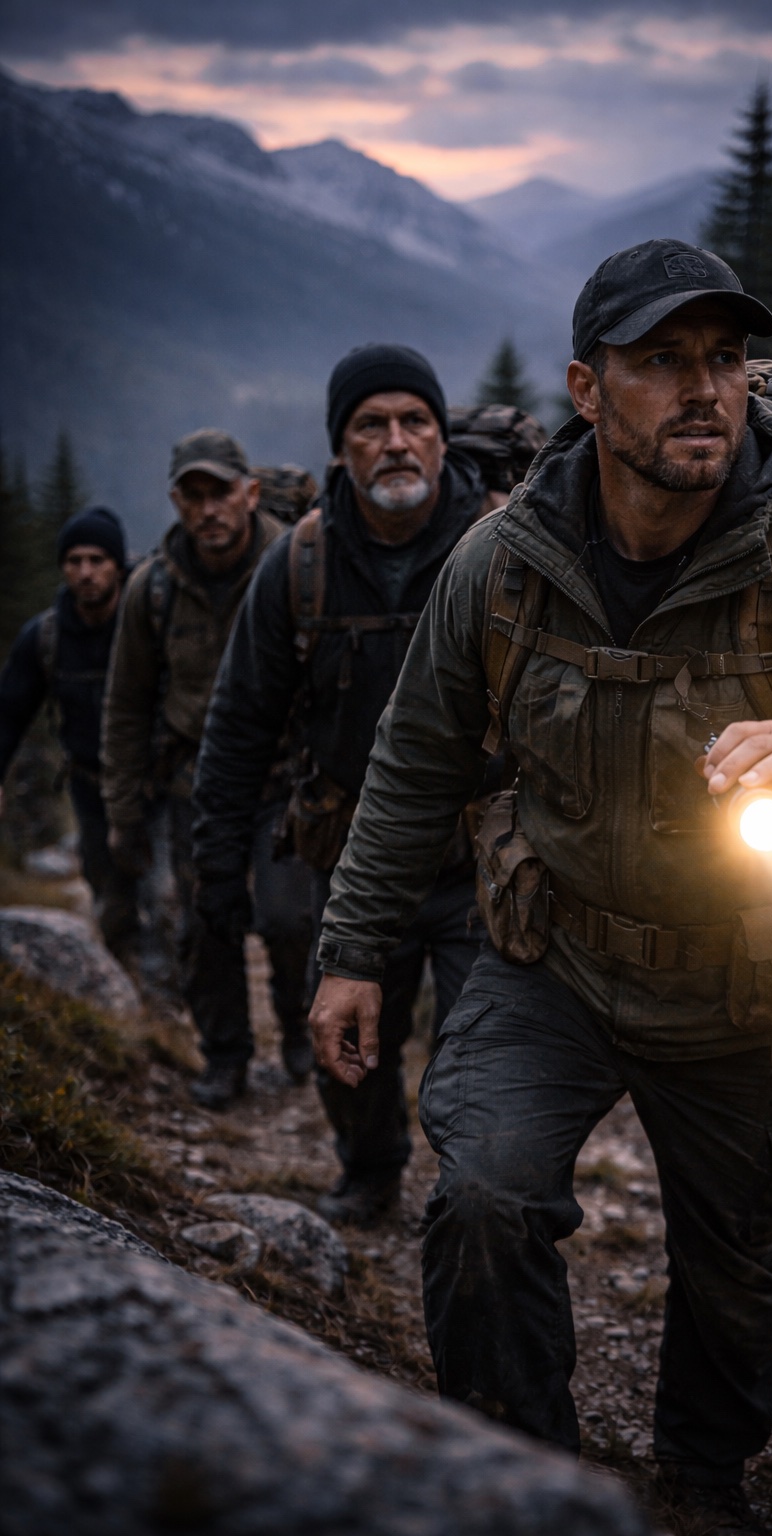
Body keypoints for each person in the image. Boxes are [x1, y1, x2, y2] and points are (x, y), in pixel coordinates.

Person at [307, 242, 772, 1532]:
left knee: (734, 1278)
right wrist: (351, 949)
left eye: (725, 359)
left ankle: (701, 1476)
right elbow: (414, 760)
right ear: (588, 389)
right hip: (554, 962)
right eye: (661, 362)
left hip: (745, 989)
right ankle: (524, 1479)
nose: (704, 391)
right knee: (478, 1202)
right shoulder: (502, 562)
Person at [192, 346, 492, 1226]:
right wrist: (218, 870)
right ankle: (369, 1171)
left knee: (485, 1052)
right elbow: (241, 721)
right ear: (339, 450)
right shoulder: (299, 567)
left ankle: (478, 1202)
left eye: (415, 422)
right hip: (355, 865)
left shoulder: (506, 545)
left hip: (486, 861)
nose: (396, 441)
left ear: (441, 439)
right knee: (349, 1044)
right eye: (371, 425)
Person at [102, 429, 313, 1109]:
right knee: (205, 923)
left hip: (285, 782)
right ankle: (226, 1057)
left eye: (220, 492)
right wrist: (124, 813)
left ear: (249, 493)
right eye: (193, 496)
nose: (208, 509)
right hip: (197, 786)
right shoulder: (153, 590)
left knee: (289, 919)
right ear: (176, 502)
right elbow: (127, 704)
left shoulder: (296, 564)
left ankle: (299, 1031)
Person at [0, 506, 142, 960]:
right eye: (74, 561)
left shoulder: (149, 625)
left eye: (97, 560)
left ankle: (179, 1002)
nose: (85, 572)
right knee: (111, 900)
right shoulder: (44, 638)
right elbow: (8, 713)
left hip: (156, 783)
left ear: (117, 564)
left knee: (172, 895)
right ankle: (140, 1003)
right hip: (90, 786)